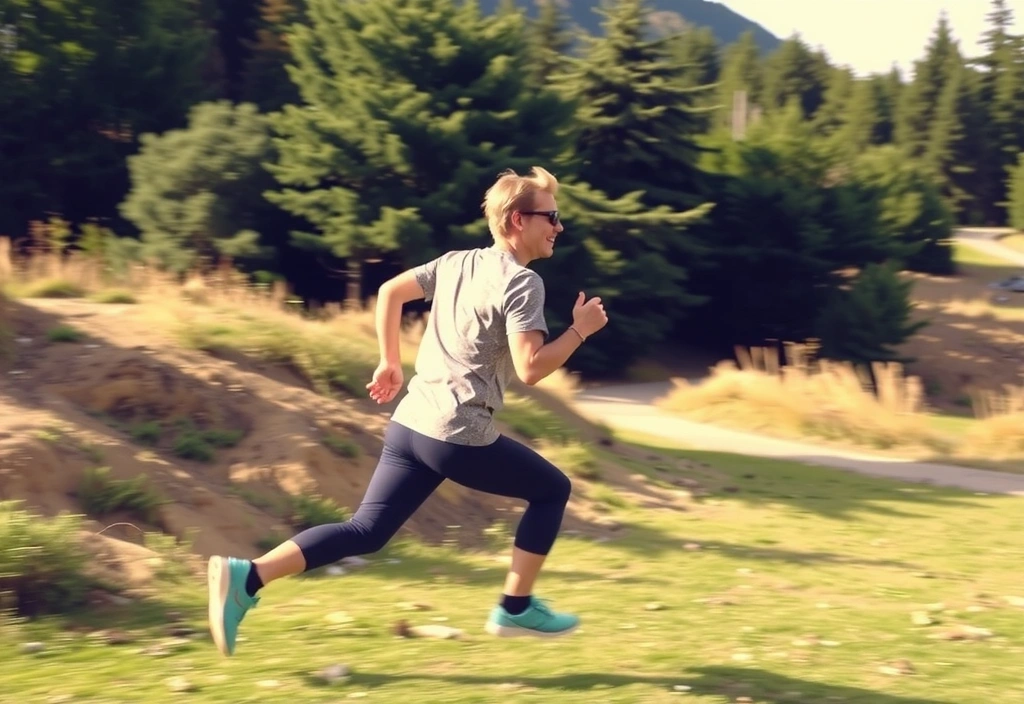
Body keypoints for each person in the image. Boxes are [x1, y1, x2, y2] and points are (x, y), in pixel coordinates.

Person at [207, 166, 609, 657]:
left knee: (366, 531)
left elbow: (390, 292)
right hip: (457, 433)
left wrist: (389, 360)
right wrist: (580, 331)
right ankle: (516, 607)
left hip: (411, 422)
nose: (559, 227)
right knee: (553, 490)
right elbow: (530, 368)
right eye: (551, 217)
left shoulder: (458, 262)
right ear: (516, 221)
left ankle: (247, 577)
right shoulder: (523, 284)